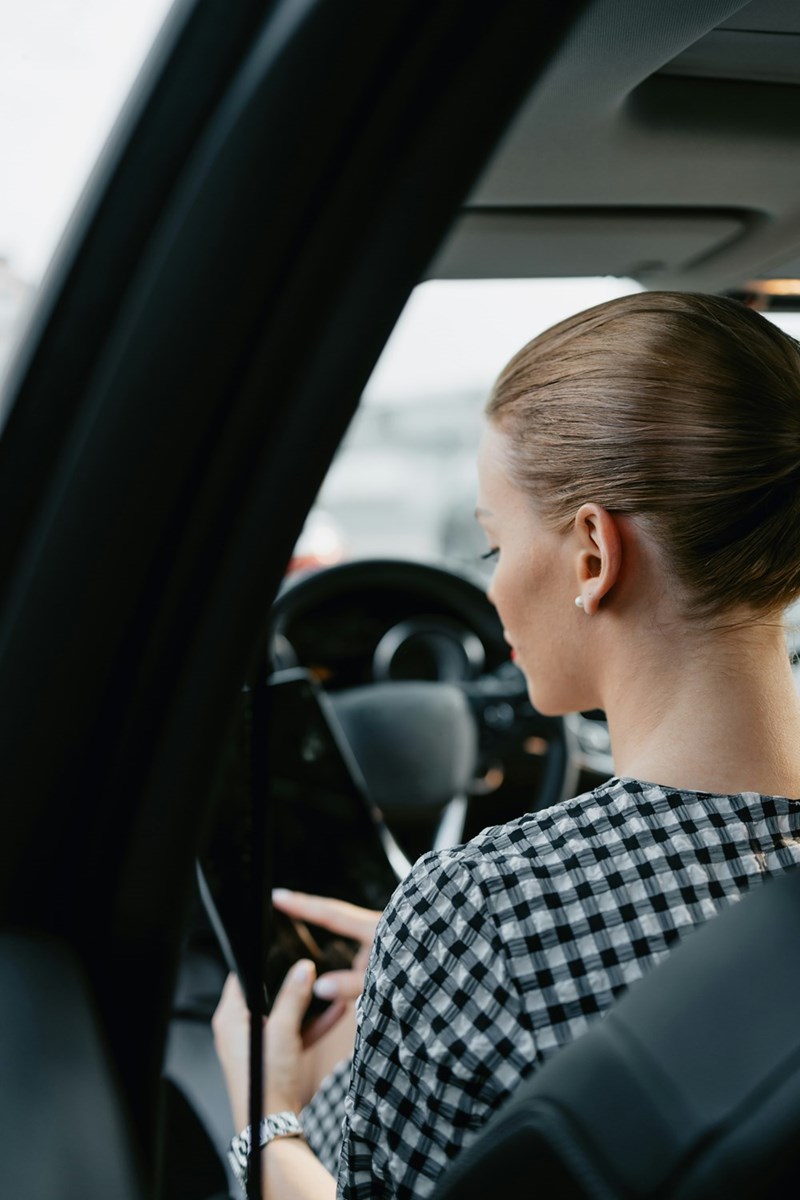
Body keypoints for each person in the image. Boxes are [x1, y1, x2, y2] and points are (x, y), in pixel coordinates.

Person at [213, 291, 800, 1198]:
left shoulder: (486, 911)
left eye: (492, 548)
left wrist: (266, 1118)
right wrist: (422, 984)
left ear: (594, 556)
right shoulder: (477, 933)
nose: (489, 594)